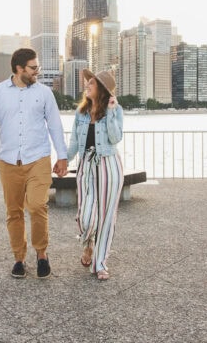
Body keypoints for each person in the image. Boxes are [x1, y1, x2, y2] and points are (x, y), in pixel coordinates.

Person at [0, 48, 68, 279]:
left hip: (38, 158)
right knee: (14, 212)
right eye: (33, 67)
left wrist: (62, 156)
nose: (38, 71)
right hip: (8, 161)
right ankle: (19, 258)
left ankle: (41, 254)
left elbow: (55, 125)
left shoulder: (45, 93)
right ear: (19, 69)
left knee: (38, 206)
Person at [67, 69, 124, 281]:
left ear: (101, 89)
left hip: (109, 165)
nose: (86, 85)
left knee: (107, 216)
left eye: (91, 83)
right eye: (87, 82)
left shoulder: (115, 110)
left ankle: (100, 263)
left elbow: (115, 137)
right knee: (86, 216)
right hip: (86, 166)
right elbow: (74, 141)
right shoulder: (81, 113)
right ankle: (88, 243)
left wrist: (110, 111)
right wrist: (63, 160)